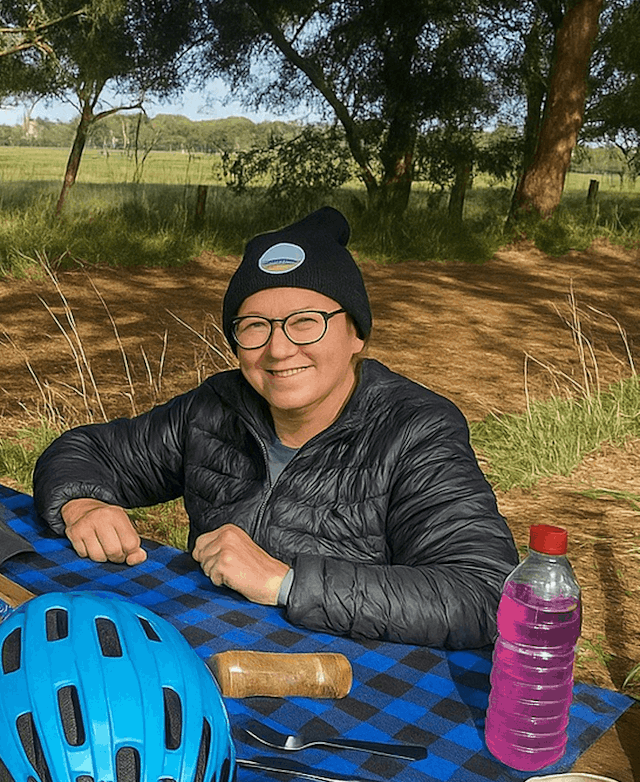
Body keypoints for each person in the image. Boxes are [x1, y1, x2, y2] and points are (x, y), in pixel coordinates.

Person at [33, 205, 518, 650]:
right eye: (254, 326)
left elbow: (483, 593)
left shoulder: (414, 430)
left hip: (351, 678)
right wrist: (83, 502)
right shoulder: (215, 408)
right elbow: (86, 450)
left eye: (306, 322)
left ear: (357, 334)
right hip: (208, 654)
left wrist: (285, 582)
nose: (280, 349)